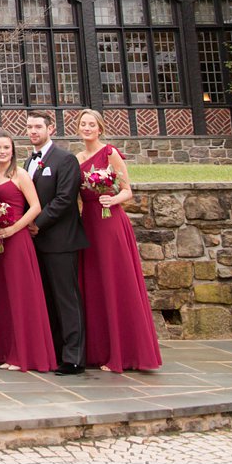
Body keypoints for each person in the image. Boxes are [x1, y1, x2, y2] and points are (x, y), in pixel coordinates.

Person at [75, 109, 163, 372]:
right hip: (88, 223)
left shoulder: (109, 152)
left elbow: (127, 191)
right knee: (94, 284)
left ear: (100, 129)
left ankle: (123, 353)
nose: (87, 128)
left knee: (115, 281)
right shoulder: (77, 158)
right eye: (83, 124)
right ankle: (98, 350)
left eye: (92, 124)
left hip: (110, 222)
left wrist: (111, 199)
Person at [0, 131, 57, 372]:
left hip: (16, 240)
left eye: (6, 147)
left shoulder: (21, 175)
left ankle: (23, 354)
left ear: (13, 150)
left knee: (20, 294)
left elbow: (35, 207)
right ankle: (4, 349)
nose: (2, 151)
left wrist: (14, 228)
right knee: (0, 294)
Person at [23, 110, 88, 375]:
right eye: (29, 127)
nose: (33, 131)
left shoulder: (65, 159)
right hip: (34, 242)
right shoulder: (28, 161)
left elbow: (64, 198)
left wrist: (38, 223)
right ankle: (54, 351)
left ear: (50, 129)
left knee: (66, 299)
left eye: (38, 126)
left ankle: (74, 357)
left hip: (61, 240)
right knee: (46, 299)